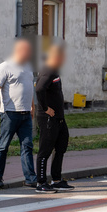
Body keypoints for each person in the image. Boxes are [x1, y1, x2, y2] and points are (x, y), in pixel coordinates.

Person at [0, 39, 36, 188]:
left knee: (27, 145)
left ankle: (30, 178)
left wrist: (32, 106)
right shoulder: (4, 67)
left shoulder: (28, 67)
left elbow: (29, 88)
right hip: (10, 113)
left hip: (25, 114)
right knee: (4, 146)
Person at [34, 42, 74, 193]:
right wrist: (45, 108)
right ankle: (41, 182)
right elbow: (39, 89)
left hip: (59, 118)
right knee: (45, 150)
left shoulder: (54, 70)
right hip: (48, 119)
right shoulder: (48, 70)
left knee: (61, 145)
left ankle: (56, 180)